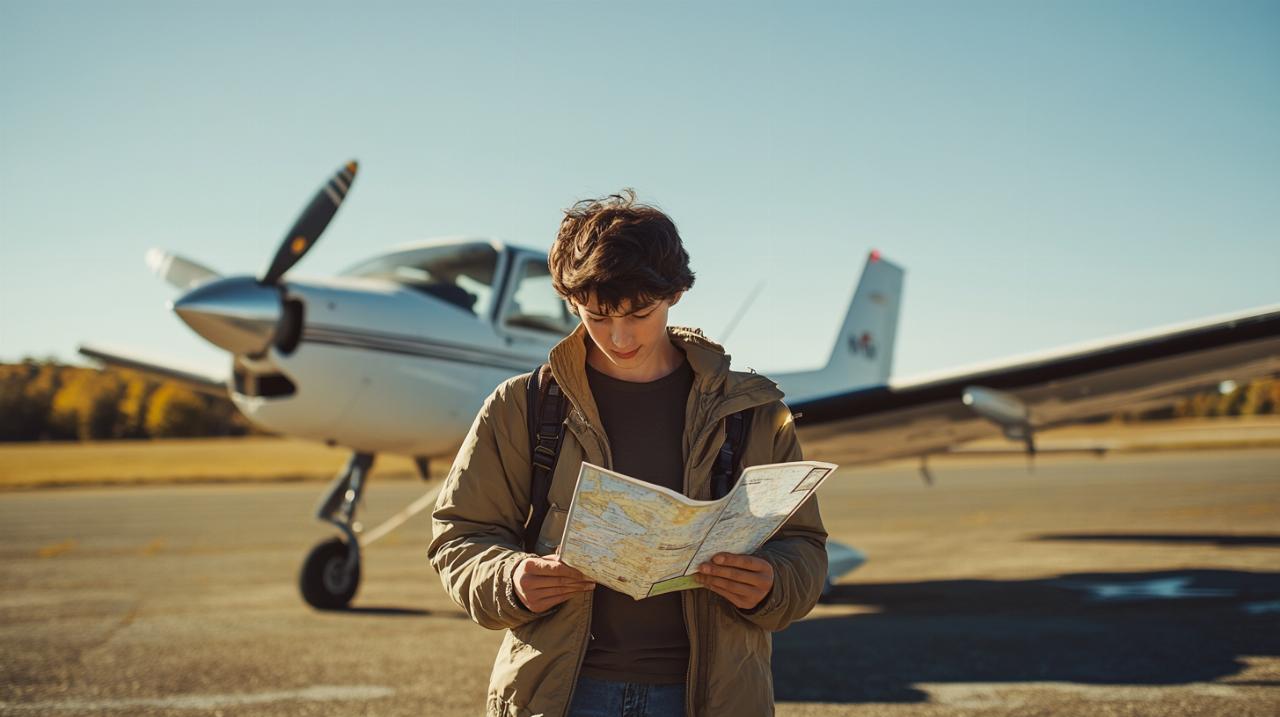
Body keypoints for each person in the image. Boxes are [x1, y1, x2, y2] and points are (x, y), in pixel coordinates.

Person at [428, 190, 827, 717]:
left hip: (710, 697)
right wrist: (510, 578)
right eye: (596, 315)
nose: (619, 337)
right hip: (562, 696)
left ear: (676, 292)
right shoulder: (518, 406)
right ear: (572, 301)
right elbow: (460, 536)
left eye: (640, 312)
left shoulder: (751, 410)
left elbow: (803, 546)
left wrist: (773, 582)